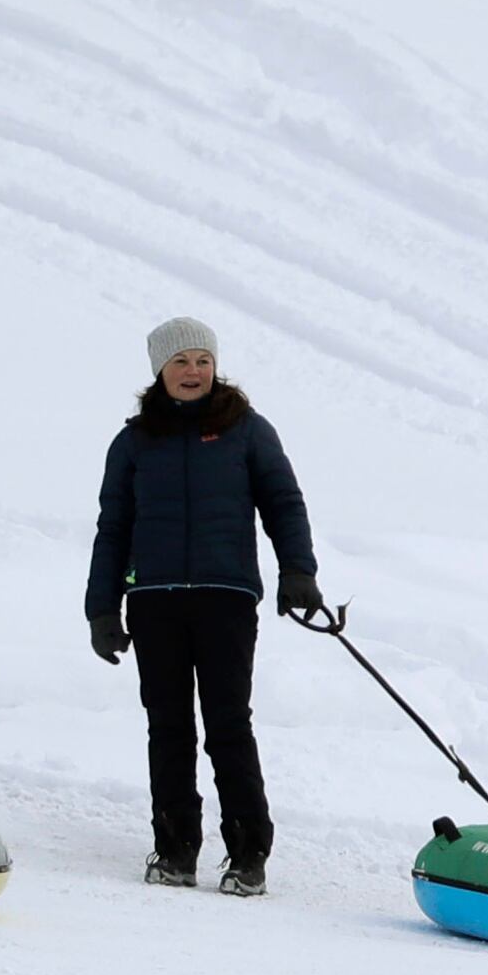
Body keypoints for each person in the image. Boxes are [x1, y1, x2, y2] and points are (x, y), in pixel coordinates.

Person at [84, 316, 320, 896]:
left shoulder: (247, 431)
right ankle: (175, 850)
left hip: (226, 599)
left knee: (227, 725)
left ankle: (247, 855)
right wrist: (101, 610)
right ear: (159, 371)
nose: (193, 372)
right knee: (168, 727)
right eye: (180, 362)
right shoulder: (134, 441)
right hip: (154, 601)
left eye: (202, 361)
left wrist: (298, 571)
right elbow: (113, 528)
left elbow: (284, 503)